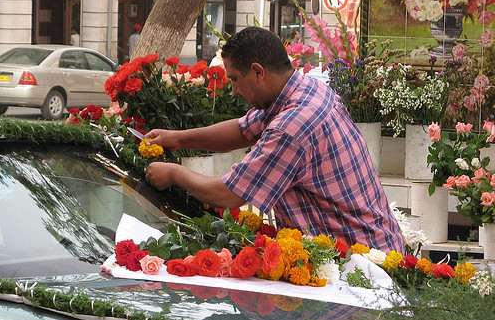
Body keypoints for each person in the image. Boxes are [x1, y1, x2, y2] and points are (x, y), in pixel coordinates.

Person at [144, 27, 405, 254]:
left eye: (235, 79)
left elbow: (228, 195)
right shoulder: (305, 90)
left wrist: (174, 173)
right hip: (372, 244)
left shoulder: (293, 125)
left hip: (362, 263)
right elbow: (242, 129)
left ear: (258, 71)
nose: (233, 90)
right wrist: (178, 138)